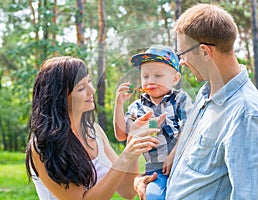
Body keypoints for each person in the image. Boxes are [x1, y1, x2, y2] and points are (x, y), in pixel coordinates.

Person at [134, 3, 258, 200]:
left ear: (205, 52)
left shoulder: (245, 113)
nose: (181, 62)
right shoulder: (205, 95)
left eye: (182, 54)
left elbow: (248, 195)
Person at [25, 56, 163, 200]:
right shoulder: (43, 146)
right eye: (81, 88)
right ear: (59, 96)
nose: (91, 91)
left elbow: (127, 191)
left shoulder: (95, 132)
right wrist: (125, 156)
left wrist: (132, 140)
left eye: (89, 82)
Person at [113, 45, 194, 200]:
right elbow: (122, 135)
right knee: (154, 196)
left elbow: (189, 129)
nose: (150, 81)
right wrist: (118, 105)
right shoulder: (137, 107)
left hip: (183, 164)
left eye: (158, 76)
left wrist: (173, 155)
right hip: (155, 170)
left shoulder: (180, 100)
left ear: (175, 79)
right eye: (145, 76)